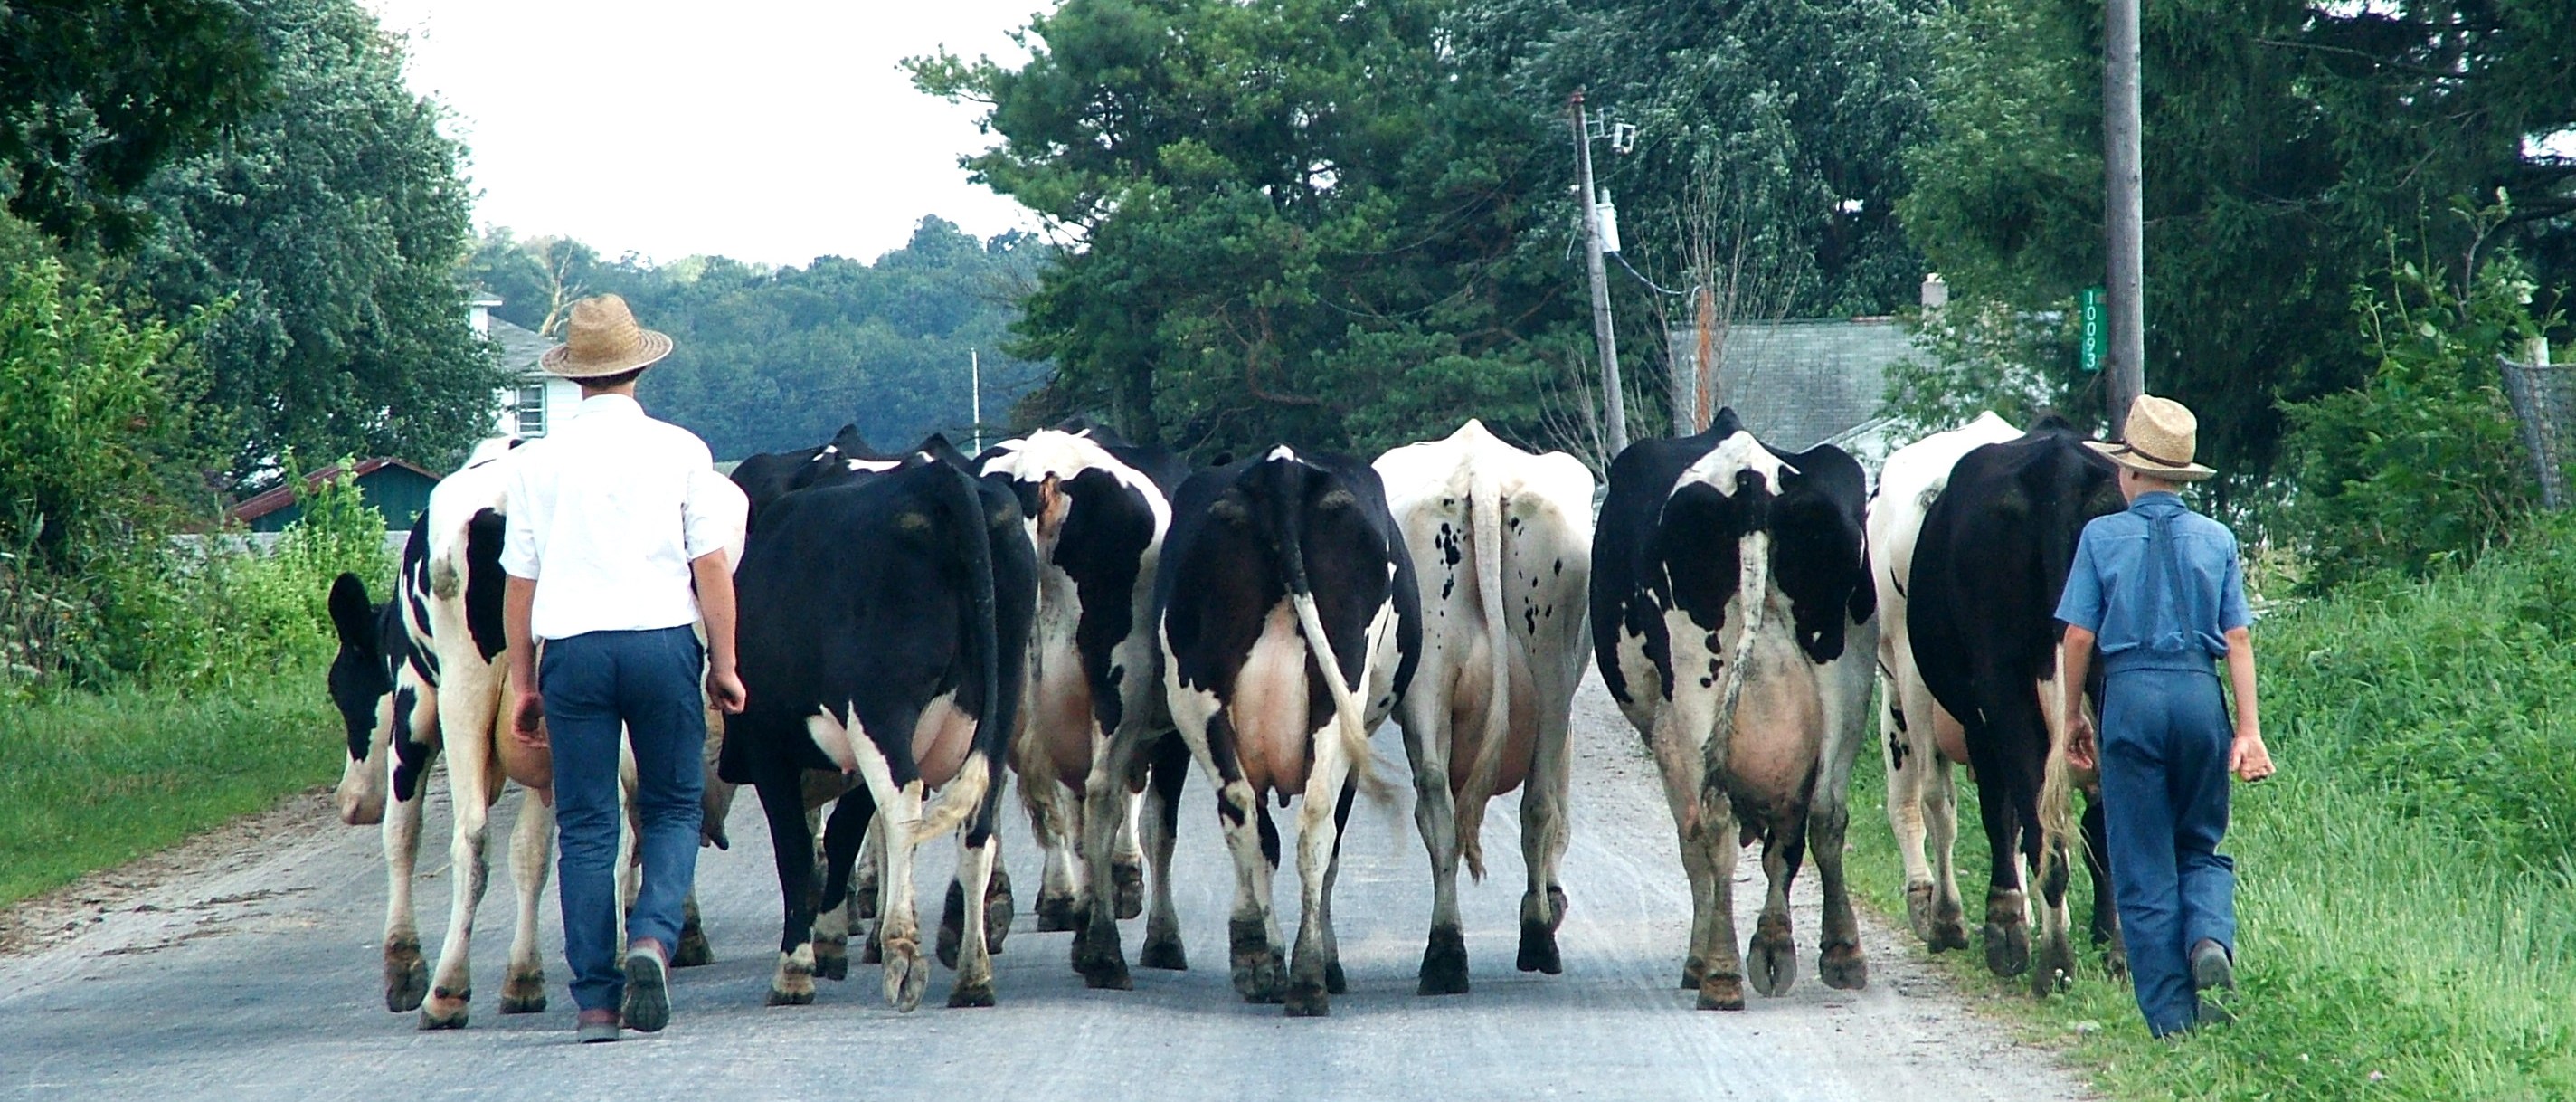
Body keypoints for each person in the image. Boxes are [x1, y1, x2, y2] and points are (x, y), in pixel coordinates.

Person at [501, 294, 748, 1043]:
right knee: (673, 807)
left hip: (572, 651)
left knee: (585, 825)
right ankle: (652, 937)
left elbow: (521, 583)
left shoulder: (534, 463)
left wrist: (523, 683)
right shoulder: (682, 451)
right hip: (662, 641)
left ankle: (597, 1004)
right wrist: (726, 664)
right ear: (640, 365)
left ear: (575, 379)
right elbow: (711, 565)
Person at [2055, 394, 2275, 1038]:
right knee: (2199, 843)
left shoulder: (2101, 536)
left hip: (2132, 700)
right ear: (2180, 478)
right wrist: (2248, 731)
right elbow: (2237, 639)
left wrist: (2072, 717)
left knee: (2142, 860)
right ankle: (2209, 939)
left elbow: (2075, 638)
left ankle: (2174, 1023)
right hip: (2199, 699)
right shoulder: (2217, 538)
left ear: (2128, 473)